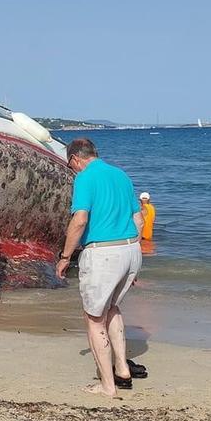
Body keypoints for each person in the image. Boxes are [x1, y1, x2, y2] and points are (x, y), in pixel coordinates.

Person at [56, 138, 145, 398]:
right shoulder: (121, 175)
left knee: (94, 319)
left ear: (75, 159)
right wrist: (132, 254)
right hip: (131, 248)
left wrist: (65, 256)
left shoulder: (84, 178)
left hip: (104, 253)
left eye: (69, 164)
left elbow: (80, 220)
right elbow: (138, 220)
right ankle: (123, 370)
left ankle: (108, 386)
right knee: (113, 307)